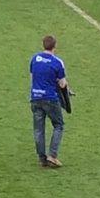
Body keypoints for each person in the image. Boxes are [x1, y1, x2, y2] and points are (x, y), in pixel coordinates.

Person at [29, 35, 68, 168]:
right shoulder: (57, 62)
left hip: (35, 97)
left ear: (43, 45)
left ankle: (42, 159)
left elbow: (32, 77)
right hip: (50, 99)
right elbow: (62, 84)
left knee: (38, 130)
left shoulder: (34, 59)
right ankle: (52, 155)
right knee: (59, 125)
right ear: (54, 47)